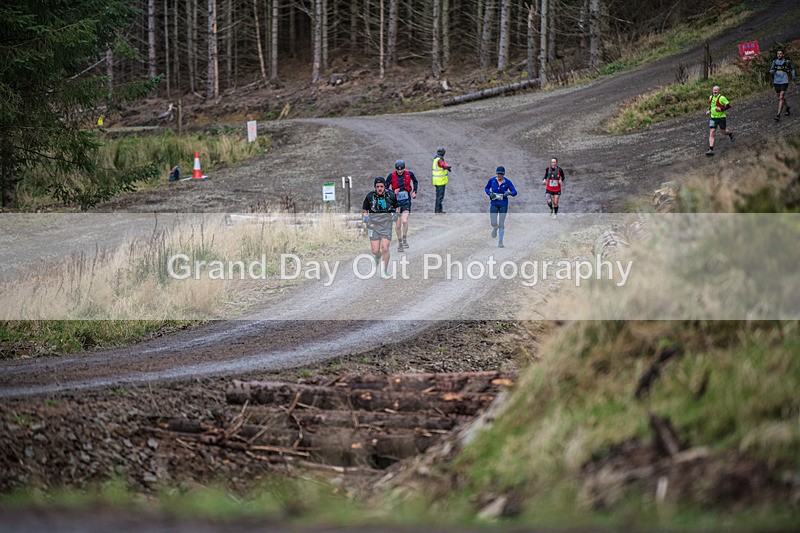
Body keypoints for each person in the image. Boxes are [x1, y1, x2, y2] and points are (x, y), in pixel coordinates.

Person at [362, 176, 399, 278]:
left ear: (384, 186)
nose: (379, 188)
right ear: (375, 187)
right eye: (377, 186)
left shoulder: (390, 195)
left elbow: (397, 206)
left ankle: (384, 271)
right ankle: (378, 256)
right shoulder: (370, 196)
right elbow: (364, 210)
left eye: (381, 186)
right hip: (373, 225)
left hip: (386, 224)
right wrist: (366, 219)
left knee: (385, 248)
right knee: (375, 250)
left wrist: (396, 214)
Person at [386, 159, 418, 252]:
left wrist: (414, 191)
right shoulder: (390, 176)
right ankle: (400, 242)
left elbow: (415, 181)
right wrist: (392, 192)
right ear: (395, 169)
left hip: (406, 201)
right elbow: (385, 188)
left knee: (404, 220)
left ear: (404, 168)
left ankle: (404, 238)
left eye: (401, 169)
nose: (400, 171)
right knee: (398, 225)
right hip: (396, 203)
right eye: (398, 170)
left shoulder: (409, 174)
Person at [484, 166, 518, 248]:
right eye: (498, 174)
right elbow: (486, 188)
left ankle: (500, 241)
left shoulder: (507, 182)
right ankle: (495, 227)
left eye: (501, 174)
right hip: (494, 204)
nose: (500, 175)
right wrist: (490, 193)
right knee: (493, 222)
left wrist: (509, 193)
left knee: (501, 223)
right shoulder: (492, 180)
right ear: (496, 173)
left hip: (503, 204)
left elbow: (515, 192)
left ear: (504, 174)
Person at [705, 85, 733, 156]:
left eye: (716, 90)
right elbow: (711, 105)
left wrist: (721, 109)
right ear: (712, 91)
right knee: (712, 132)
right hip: (713, 118)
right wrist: (709, 110)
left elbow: (728, 106)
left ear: (718, 91)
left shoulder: (722, 98)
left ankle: (730, 134)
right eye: (714, 90)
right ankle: (711, 149)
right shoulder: (711, 97)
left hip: (721, 118)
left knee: (723, 132)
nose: (715, 92)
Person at [769, 49, 796, 121]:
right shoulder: (774, 62)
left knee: (781, 97)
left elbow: (792, 69)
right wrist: (772, 71)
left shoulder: (786, 62)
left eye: (780, 54)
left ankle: (778, 114)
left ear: (783, 54)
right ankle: (787, 107)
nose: (779, 55)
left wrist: (793, 75)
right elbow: (771, 70)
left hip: (784, 81)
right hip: (776, 82)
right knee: (780, 97)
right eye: (778, 54)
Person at [432, 146, 452, 214]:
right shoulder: (439, 159)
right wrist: (447, 167)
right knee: (440, 197)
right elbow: (442, 165)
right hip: (440, 181)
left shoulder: (436, 159)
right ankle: (438, 211)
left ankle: (438, 210)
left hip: (437, 181)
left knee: (438, 196)